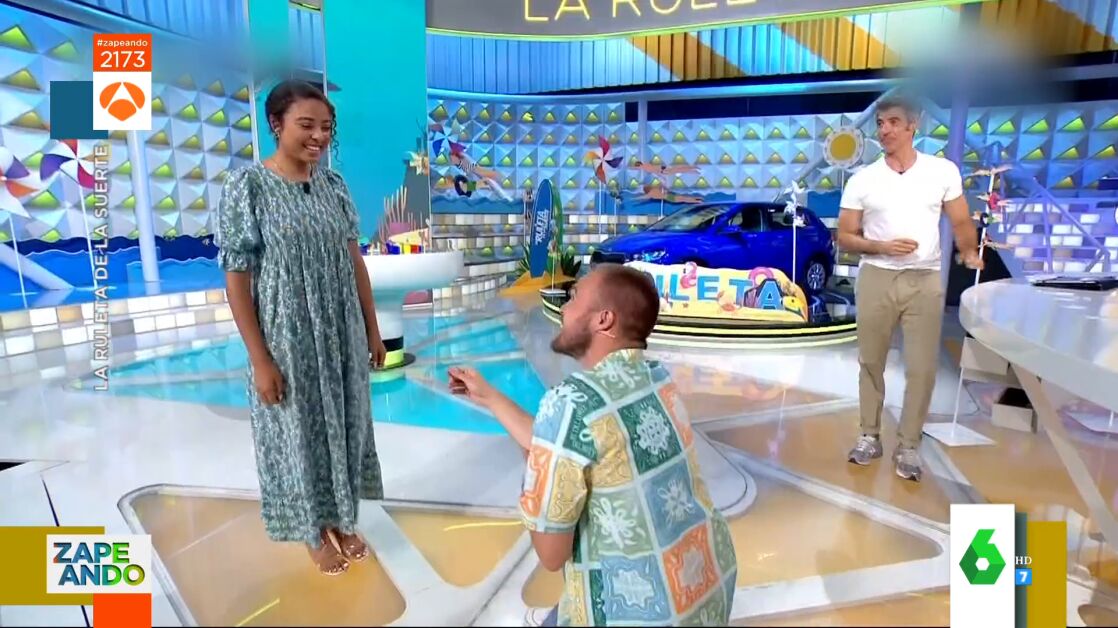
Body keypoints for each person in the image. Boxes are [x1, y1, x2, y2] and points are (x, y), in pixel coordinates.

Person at [448, 264, 737, 626]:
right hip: (704, 590)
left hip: (638, 614)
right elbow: (568, 442)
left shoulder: (570, 403)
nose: (564, 308)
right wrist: (489, 396)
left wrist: (537, 472)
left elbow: (551, 554)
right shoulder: (657, 380)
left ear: (603, 319)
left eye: (574, 297)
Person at [217, 80, 387, 575]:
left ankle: (343, 518)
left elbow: (354, 261)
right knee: (297, 432)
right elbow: (236, 279)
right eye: (306, 125)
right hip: (287, 336)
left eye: (326, 127)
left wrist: (371, 329)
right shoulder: (248, 186)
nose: (319, 137)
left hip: (341, 331)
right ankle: (312, 530)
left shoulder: (334, 186)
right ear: (276, 125)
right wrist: (260, 359)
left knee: (347, 425)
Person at [837, 92, 984, 482]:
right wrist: (881, 246)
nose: (884, 130)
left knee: (921, 367)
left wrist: (969, 251)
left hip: (924, 279)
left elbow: (961, 220)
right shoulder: (863, 179)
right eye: (880, 124)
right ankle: (869, 435)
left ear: (913, 126)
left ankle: (909, 445)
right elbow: (845, 237)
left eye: (893, 123)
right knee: (871, 361)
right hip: (876, 276)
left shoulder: (942, 172)